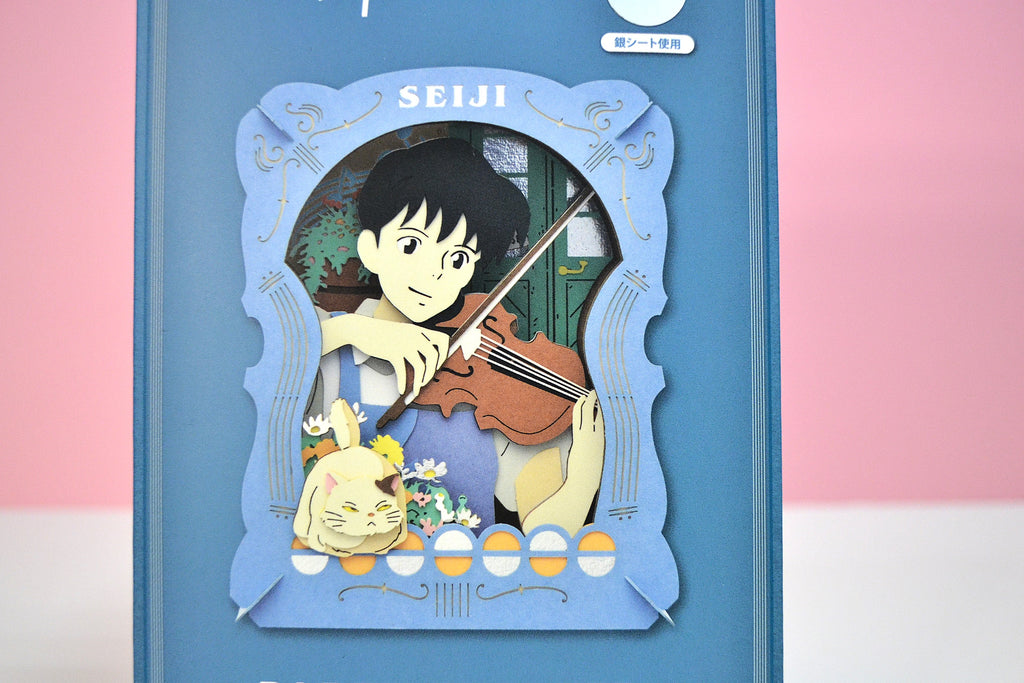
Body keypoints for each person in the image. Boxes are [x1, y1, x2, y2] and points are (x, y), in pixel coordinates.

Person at [317, 137, 604, 536]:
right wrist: (355, 330)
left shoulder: (491, 387)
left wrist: (583, 477)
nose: (434, 272)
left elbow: (544, 536)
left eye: (457, 258)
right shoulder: (327, 348)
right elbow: (275, 358)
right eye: (411, 244)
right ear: (371, 248)